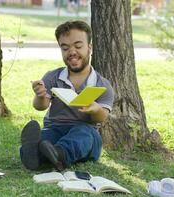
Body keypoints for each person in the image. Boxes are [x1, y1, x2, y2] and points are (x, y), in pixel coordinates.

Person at [20, 20, 114, 171]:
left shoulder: (102, 85)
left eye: (78, 46)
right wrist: (40, 94)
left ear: (90, 47)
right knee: (45, 138)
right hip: (55, 129)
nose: (71, 52)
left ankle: (59, 155)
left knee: (83, 135)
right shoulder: (52, 77)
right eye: (65, 48)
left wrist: (96, 110)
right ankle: (35, 155)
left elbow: (102, 118)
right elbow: (40, 106)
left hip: (87, 135)